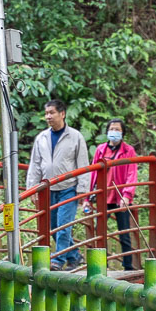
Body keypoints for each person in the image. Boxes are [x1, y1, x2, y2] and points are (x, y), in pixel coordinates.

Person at [24, 99, 90, 271]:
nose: (48, 116)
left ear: (62, 114)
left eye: (52, 112)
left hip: (68, 187)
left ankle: (58, 260)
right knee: (53, 227)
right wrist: (31, 189)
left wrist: (83, 191)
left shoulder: (75, 137)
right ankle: (74, 256)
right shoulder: (42, 138)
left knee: (63, 226)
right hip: (48, 189)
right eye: (46, 113)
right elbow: (35, 165)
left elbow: (83, 164)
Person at [85, 119, 139, 271]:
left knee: (124, 232)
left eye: (117, 129)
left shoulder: (129, 151)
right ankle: (100, 265)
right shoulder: (101, 149)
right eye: (111, 129)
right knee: (99, 231)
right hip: (104, 196)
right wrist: (88, 197)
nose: (114, 132)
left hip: (120, 196)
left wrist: (127, 195)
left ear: (122, 133)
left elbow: (131, 173)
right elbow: (93, 173)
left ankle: (128, 266)